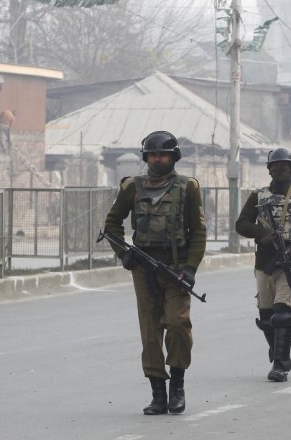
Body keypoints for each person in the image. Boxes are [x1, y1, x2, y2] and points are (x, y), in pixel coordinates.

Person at [104, 130, 206, 415]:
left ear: (174, 157)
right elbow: (111, 225)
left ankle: (178, 387)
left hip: (176, 270)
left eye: (162, 154)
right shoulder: (132, 187)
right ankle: (158, 394)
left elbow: (198, 232)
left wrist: (190, 269)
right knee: (150, 333)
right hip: (143, 268)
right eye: (152, 155)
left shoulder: (188, 187)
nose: (157, 159)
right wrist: (124, 254)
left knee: (177, 325)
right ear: (145, 157)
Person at [235, 147, 291, 382]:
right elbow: (241, 224)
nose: (280, 169)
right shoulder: (258, 196)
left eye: (285, 165)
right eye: (275, 165)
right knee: (266, 317)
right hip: (264, 262)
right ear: (269, 169)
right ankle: (276, 347)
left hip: (290, 261)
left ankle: (280, 364)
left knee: (282, 313)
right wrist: (262, 233)